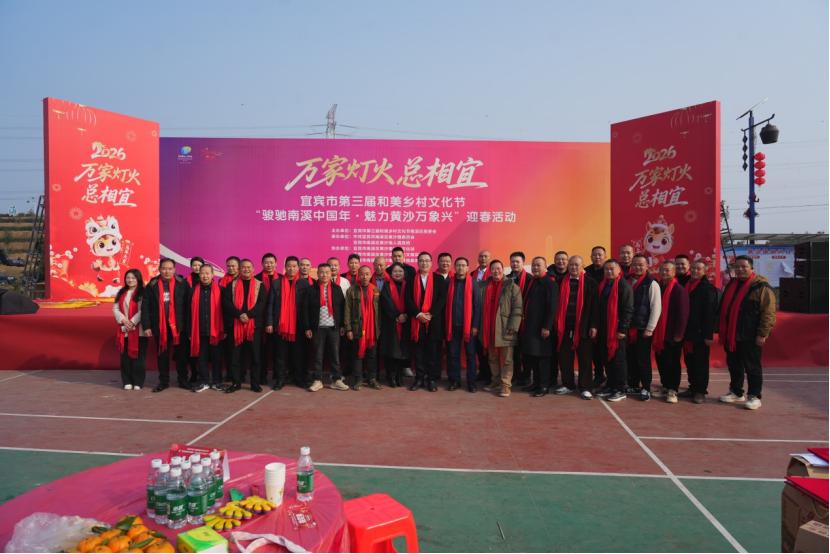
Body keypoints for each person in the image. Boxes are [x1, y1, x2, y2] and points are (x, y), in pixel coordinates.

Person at [718, 255, 776, 410]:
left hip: (750, 335)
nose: (740, 269)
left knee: (752, 367)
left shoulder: (761, 287)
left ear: (752, 268)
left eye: (744, 267)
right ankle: (736, 392)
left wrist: (762, 333)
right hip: (732, 335)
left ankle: (754, 396)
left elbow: (769, 313)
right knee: (734, 365)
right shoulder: (732, 284)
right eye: (737, 267)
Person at [142, 258, 189, 392]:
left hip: (179, 327)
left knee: (181, 355)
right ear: (159, 269)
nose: (167, 271)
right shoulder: (152, 285)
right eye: (164, 269)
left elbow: (188, 306)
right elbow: (145, 307)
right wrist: (147, 326)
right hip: (160, 326)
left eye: (170, 269)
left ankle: (183, 380)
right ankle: (163, 381)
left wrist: (188, 326)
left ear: (174, 270)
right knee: (162, 355)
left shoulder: (182, 284)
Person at [265, 256, 311, 389]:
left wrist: (307, 326)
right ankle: (280, 380)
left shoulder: (304, 283)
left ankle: (299, 379)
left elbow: (307, 306)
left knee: (298, 355)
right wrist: (269, 322)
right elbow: (270, 304)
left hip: (298, 325)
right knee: (280, 355)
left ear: (298, 268)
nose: (291, 269)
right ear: (285, 267)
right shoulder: (277, 283)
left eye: (294, 266)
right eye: (289, 266)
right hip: (281, 325)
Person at [556, 256, 599, 400]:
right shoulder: (561, 282)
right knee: (565, 358)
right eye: (571, 265)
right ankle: (568, 384)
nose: (573, 267)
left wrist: (594, 325)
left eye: (576, 265)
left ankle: (585, 387)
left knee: (585, 359)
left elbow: (595, 307)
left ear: (582, 266)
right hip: (565, 327)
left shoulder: (591, 283)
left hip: (584, 328)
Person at [221, 259, 266, 393]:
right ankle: (236, 383)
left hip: (254, 326)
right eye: (243, 267)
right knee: (235, 357)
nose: (246, 269)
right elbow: (226, 303)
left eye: (248, 267)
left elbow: (262, 304)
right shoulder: (231, 285)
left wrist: (249, 315)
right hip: (236, 325)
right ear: (239, 270)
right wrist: (239, 314)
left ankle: (254, 383)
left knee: (255, 356)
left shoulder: (260, 285)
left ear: (253, 269)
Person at [481, 260, 523, 398]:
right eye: (493, 269)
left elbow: (517, 308)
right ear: (490, 270)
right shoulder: (483, 286)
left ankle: (505, 385)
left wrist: (513, 326)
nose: (496, 271)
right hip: (488, 328)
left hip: (505, 327)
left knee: (506, 359)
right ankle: (495, 381)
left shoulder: (511, 286)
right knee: (492, 357)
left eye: (498, 268)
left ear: (503, 269)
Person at [406, 252, 447, 392]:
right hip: (417, 322)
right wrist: (418, 314)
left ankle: (431, 379)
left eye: (427, 261)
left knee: (432, 352)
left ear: (431, 263)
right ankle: (419, 378)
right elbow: (408, 299)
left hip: (433, 321)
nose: (424, 263)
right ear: (418, 263)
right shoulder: (411, 279)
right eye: (421, 261)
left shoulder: (439, 279)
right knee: (418, 353)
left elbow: (442, 299)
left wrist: (431, 314)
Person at [304, 263, 346, 391]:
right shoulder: (311, 289)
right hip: (317, 328)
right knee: (318, 355)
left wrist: (342, 325)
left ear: (331, 273)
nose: (324, 275)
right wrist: (307, 327)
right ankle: (318, 380)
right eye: (321, 272)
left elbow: (342, 308)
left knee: (335, 355)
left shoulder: (337, 289)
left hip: (334, 327)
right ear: (317, 274)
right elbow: (305, 309)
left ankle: (336, 380)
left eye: (327, 272)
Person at [596, 260, 634, 402]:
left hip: (617, 330)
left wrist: (622, 329)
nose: (609, 271)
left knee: (619, 360)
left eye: (612, 269)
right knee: (607, 358)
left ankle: (620, 389)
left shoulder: (624, 286)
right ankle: (611, 385)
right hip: (604, 329)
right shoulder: (604, 284)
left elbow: (628, 310)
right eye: (606, 269)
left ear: (619, 271)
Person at [653, 261, 689, 404]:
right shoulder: (658, 287)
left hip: (672, 333)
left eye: (667, 270)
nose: (664, 273)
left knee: (673, 363)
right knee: (661, 361)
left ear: (674, 273)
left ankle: (673, 390)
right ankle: (665, 386)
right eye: (662, 270)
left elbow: (683, 314)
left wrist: (679, 334)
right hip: (659, 333)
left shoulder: (679, 290)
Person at [520, 257, 557, 397]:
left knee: (543, 358)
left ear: (545, 267)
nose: (535, 268)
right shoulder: (533, 282)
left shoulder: (550, 284)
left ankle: (544, 386)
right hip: (531, 326)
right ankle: (536, 383)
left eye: (538, 265)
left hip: (542, 328)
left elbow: (552, 307)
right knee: (533, 356)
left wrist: (547, 326)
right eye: (533, 265)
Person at [626, 254, 661, 401]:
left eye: (641, 265)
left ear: (647, 266)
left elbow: (656, 307)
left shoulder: (651, 283)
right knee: (631, 358)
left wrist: (650, 328)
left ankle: (646, 387)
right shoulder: (627, 280)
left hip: (643, 329)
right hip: (629, 327)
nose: (637, 267)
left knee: (643, 359)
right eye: (635, 264)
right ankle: (633, 384)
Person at [682, 260, 718, 404]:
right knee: (689, 361)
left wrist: (708, 335)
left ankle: (700, 391)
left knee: (700, 363)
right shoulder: (687, 285)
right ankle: (692, 387)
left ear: (705, 271)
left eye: (699, 269)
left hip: (701, 333)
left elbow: (710, 314)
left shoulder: (707, 288)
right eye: (693, 268)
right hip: (688, 332)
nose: (695, 271)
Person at [445, 257, 481, 392]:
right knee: (453, 354)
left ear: (467, 268)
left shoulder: (473, 283)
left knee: (471, 354)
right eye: (458, 265)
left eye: (463, 265)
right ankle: (455, 381)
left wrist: (475, 325)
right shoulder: (449, 283)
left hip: (469, 326)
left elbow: (477, 306)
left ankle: (471, 382)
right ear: (454, 267)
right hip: (452, 325)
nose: (460, 267)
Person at [344, 266, 381, 390]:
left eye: (367, 274)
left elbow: (380, 311)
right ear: (358, 276)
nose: (364, 277)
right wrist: (348, 329)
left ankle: (372, 379)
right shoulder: (351, 290)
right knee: (357, 355)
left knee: (372, 355)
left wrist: (379, 328)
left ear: (371, 275)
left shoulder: (375, 290)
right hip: (357, 328)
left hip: (372, 329)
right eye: (362, 274)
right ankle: (358, 379)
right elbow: (347, 310)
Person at [188, 264, 224, 392]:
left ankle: (217, 382)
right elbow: (188, 312)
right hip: (199, 330)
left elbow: (225, 311)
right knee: (201, 358)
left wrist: (224, 329)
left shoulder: (221, 290)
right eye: (202, 273)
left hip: (216, 330)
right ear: (199, 275)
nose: (205, 276)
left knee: (216, 358)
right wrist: (190, 331)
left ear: (212, 275)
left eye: (208, 273)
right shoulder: (192, 291)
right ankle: (204, 381)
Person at [113, 268, 147, 390]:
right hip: (125, 330)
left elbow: (144, 310)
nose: (130, 280)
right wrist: (124, 320)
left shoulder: (143, 292)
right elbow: (115, 308)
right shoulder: (121, 292)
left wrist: (132, 322)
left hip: (139, 330)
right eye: (128, 278)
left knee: (139, 358)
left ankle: (138, 381)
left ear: (138, 279)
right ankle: (127, 381)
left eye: (133, 278)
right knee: (125, 358)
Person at [380, 262, 411, 387]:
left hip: (405, 323)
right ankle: (391, 376)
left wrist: (406, 315)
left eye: (400, 271)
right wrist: (397, 315)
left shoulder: (408, 285)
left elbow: (411, 302)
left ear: (404, 273)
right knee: (391, 351)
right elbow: (386, 303)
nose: (398, 273)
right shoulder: (386, 286)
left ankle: (399, 376)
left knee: (402, 351)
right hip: (391, 323)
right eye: (395, 271)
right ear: (391, 273)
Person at [509, 251, 533, 388]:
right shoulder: (507, 279)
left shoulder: (530, 279)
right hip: (511, 321)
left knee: (526, 351)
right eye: (512, 262)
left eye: (517, 261)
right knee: (513, 351)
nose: (515, 264)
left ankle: (526, 376)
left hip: (526, 321)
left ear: (523, 263)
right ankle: (515, 375)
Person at [256, 253, 280, 385]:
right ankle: (262, 375)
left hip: (278, 320)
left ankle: (278, 373)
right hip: (260, 319)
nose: (269, 265)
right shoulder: (256, 279)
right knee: (262, 350)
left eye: (271, 262)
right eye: (266, 262)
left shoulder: (281, 278)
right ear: (262, 264)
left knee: (278, 349)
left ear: (276, 264)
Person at [219, 256, 240, 380]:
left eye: (233, 266)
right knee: (228, 349)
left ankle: (240, 374)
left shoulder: (243, 280)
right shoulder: (221, 281)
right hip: (226, 319)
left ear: (239, 267)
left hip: (240, 319)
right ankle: (230, 374)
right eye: (228, 266)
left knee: (239, 350)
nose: (231, 268)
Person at [473, 249, 492, 384]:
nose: (483, 258)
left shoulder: (494, 273)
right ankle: (482, 371)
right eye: (481, 256)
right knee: (478, 345)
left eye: (486, 256)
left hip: (489, 314)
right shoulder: (472, 274)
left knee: (489, 346)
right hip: (476, 314)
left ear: (489, 259)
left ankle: (490, 374)